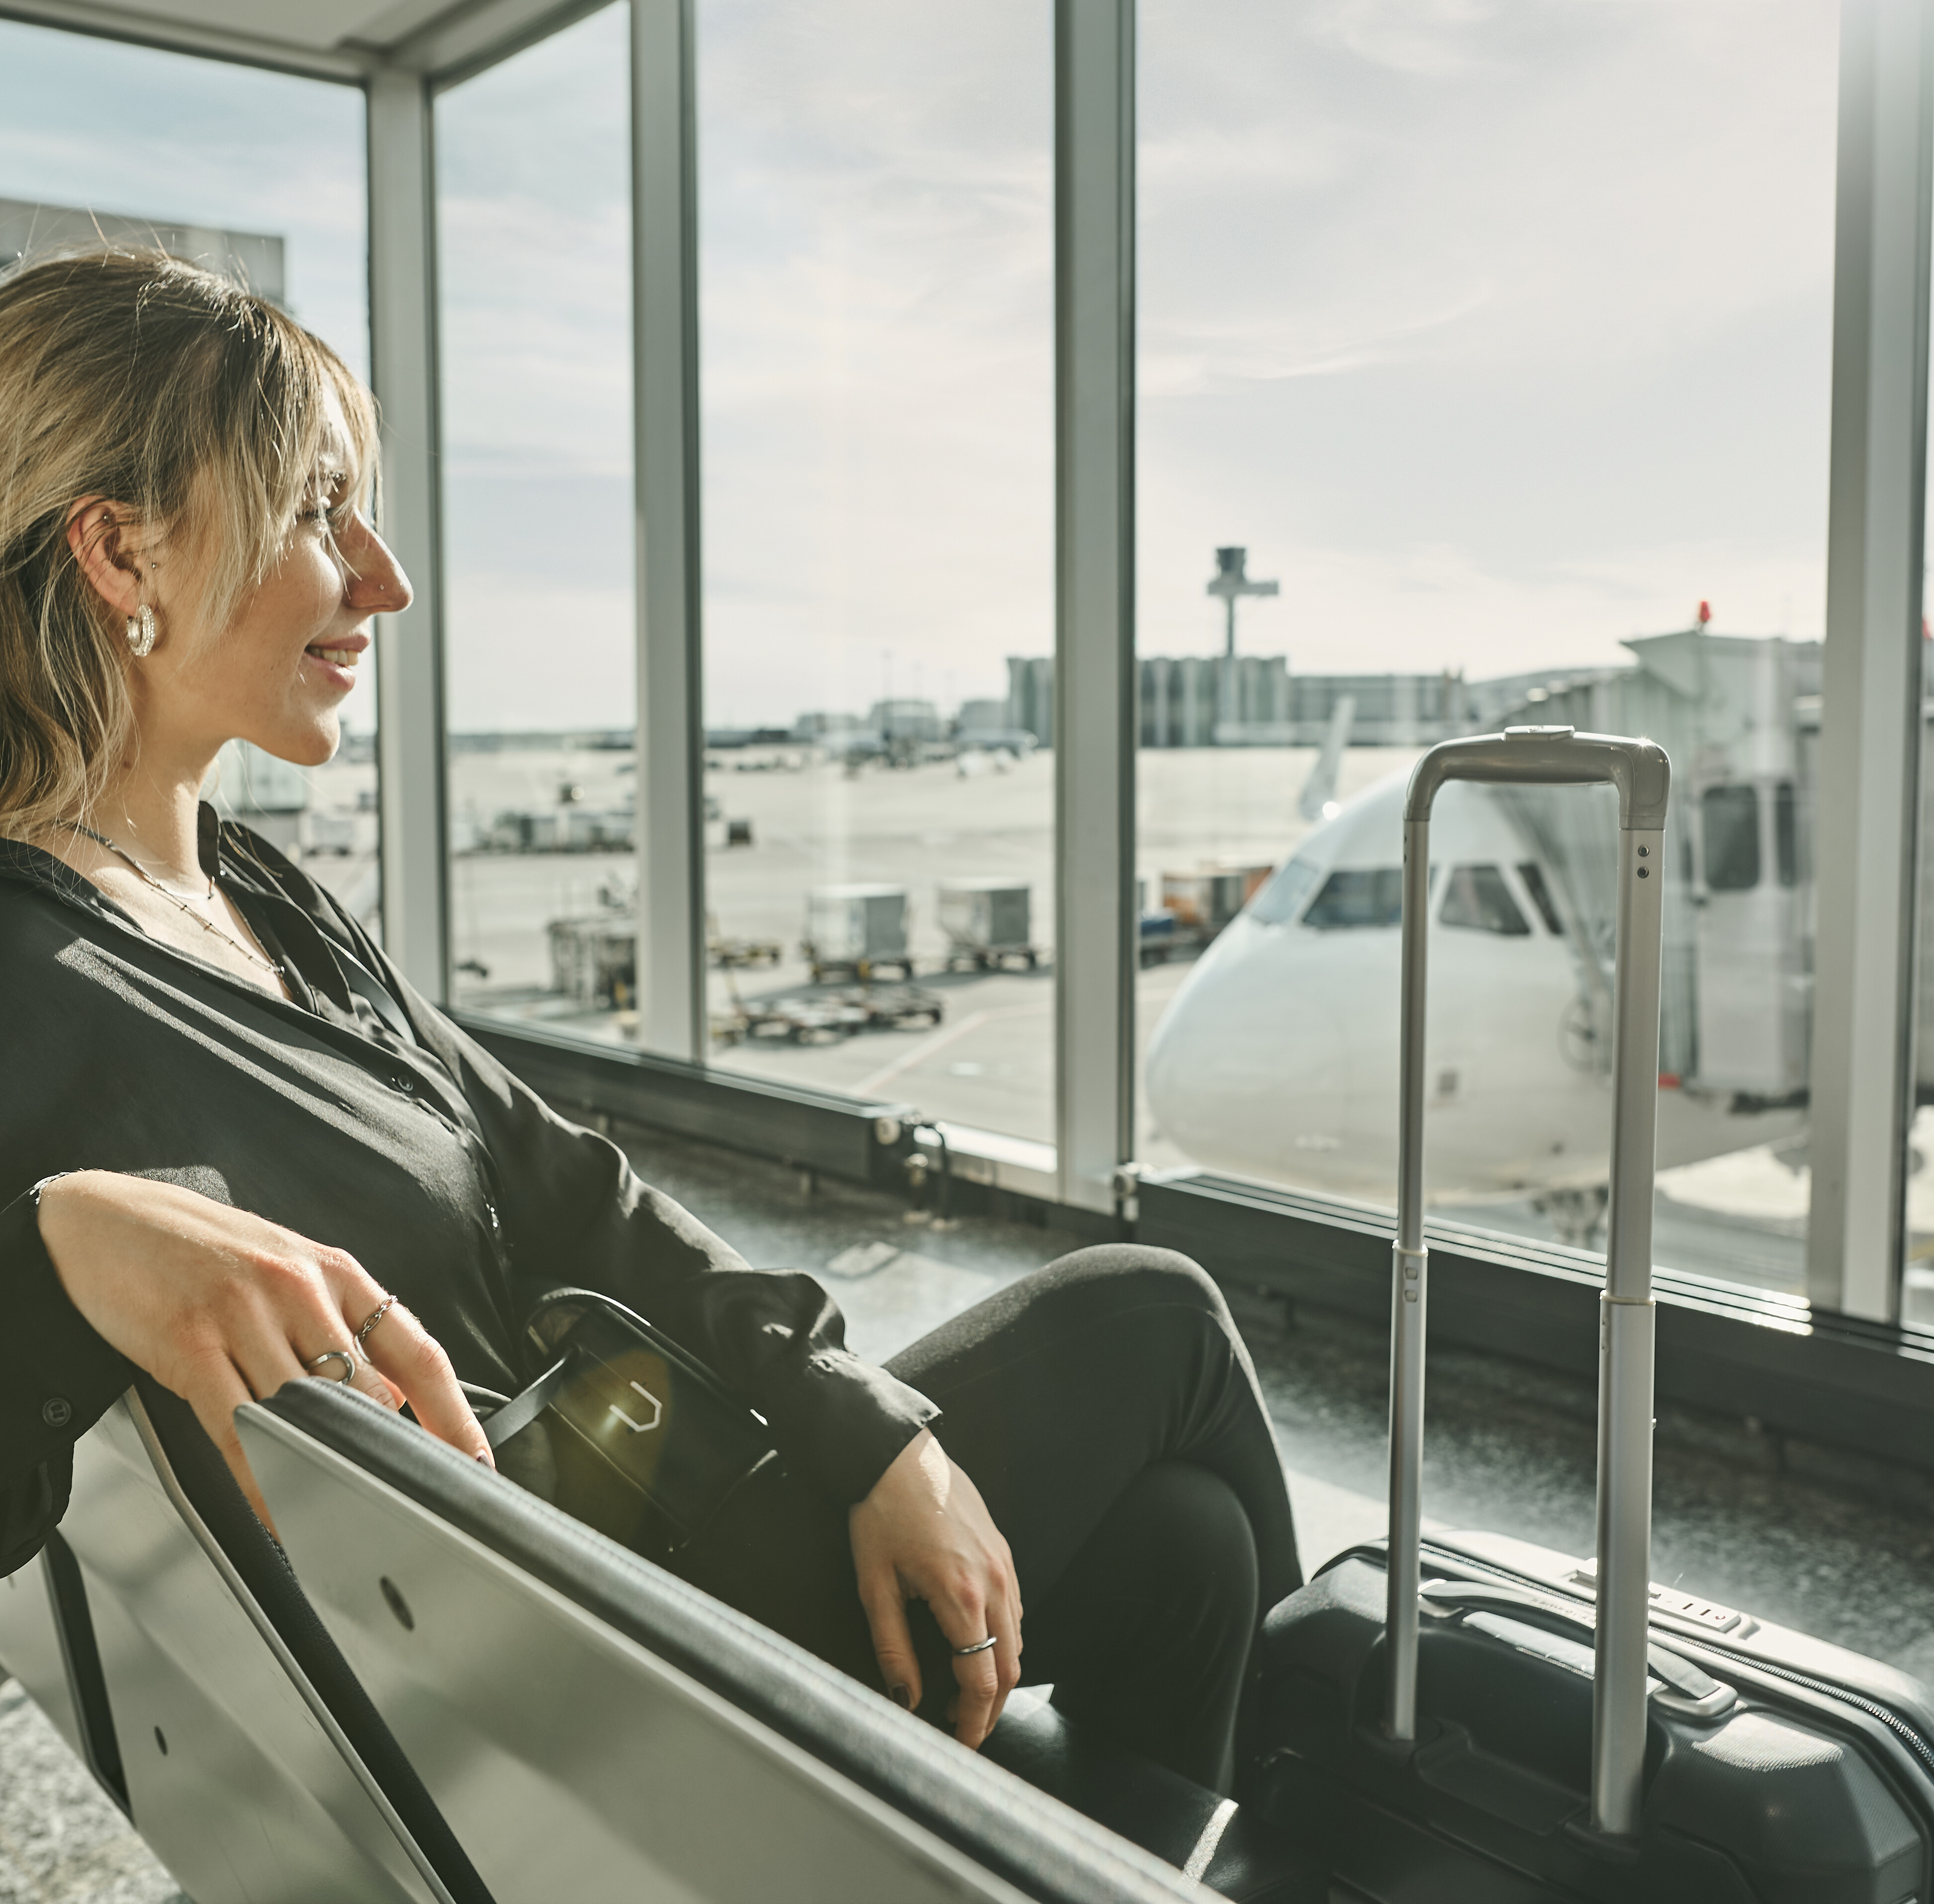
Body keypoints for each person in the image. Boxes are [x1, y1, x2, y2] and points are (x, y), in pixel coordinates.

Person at [0, 248, 1300, 1792]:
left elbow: (569, 1185)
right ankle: (1365, 1806)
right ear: (120, 552)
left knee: (1185, 1547)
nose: (383, 578)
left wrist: (871, 1429)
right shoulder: (32, 974)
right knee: (1153, 1314)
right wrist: (53, 1242)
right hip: (595, 1673)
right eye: (314, 510)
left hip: (611, 1565)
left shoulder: (249, 893)